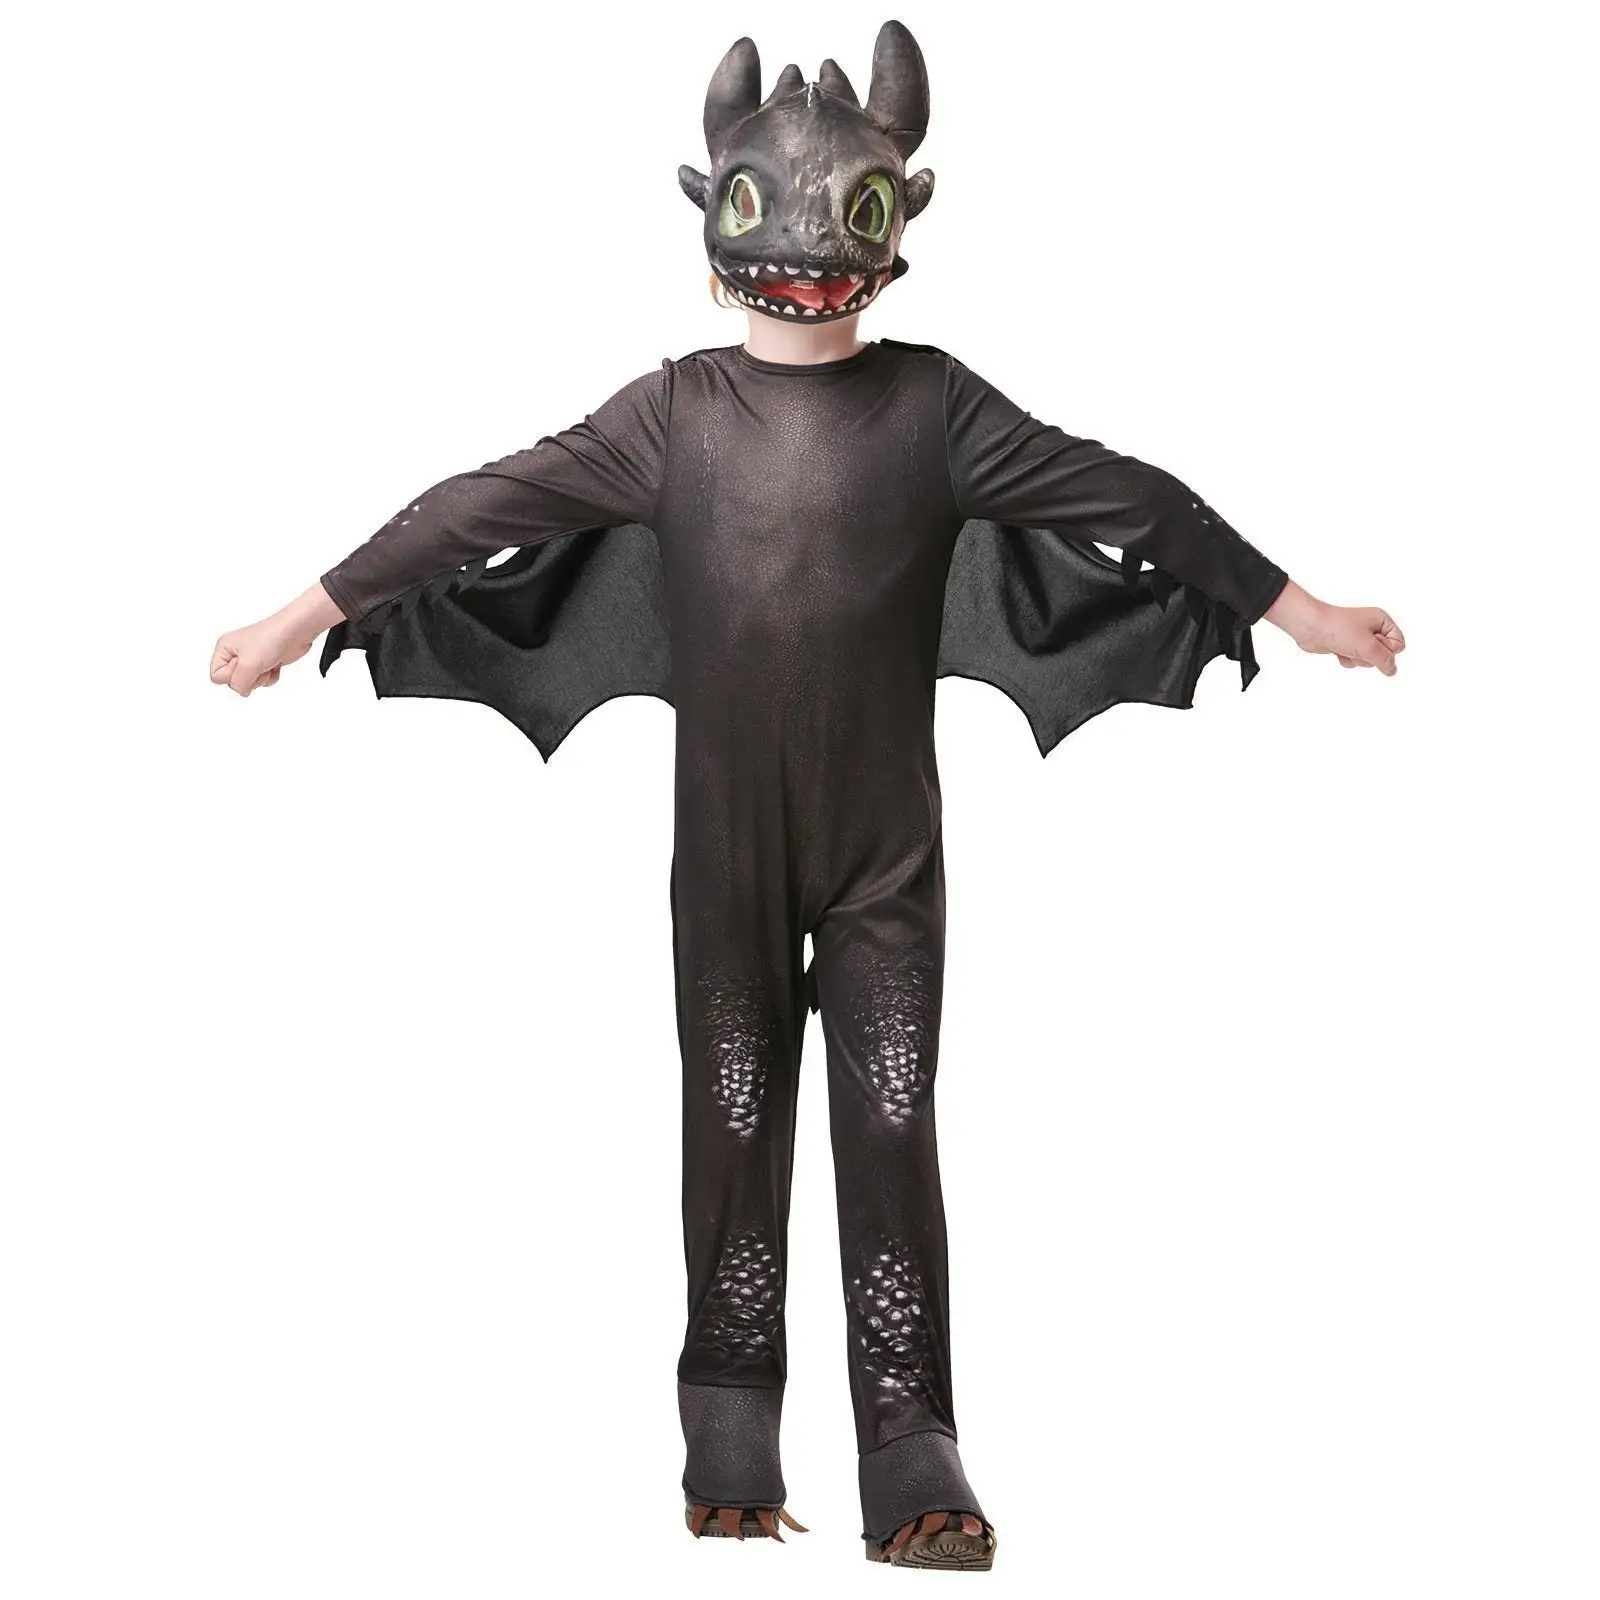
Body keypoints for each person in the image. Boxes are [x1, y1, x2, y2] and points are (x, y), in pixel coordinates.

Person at [210, 22, 1403, 1571]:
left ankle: (912, 1440)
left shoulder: (938, 412)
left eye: (851, 218)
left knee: (891, 1120)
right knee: (733, 1114)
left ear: (898, 225)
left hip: (883, 864)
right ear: (712, 227)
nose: (806, 258)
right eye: (761, 216)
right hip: (727, 862)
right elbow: (475, 509)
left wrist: (1304, 614)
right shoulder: (672, 418)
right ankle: (728, 1421)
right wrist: (299, 613)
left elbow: (1135, 501)